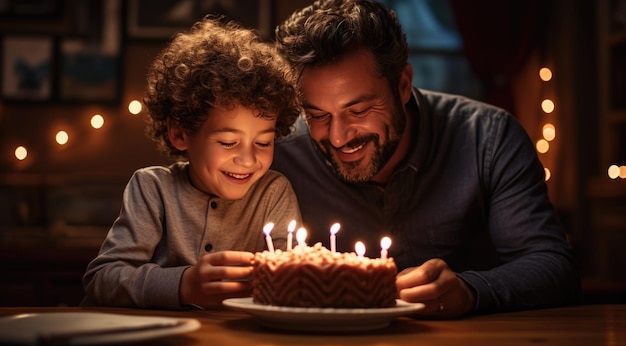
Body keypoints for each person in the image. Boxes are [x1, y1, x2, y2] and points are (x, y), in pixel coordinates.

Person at [272, 0, 581, 318]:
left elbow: (553, 266)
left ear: (403, 85)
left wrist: (469, 291)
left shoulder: (487, 138)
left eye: (359, 110)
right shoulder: (279, 153)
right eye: (318, 115)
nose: (337, 137)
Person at [82, 15, 302, 310]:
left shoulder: (273, 192)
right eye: (227, 142)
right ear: (180, 133)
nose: (248, 159)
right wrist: (183, 285)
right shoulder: (152, 189)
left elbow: (292, 279)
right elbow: (102, 279)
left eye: (263, 143)